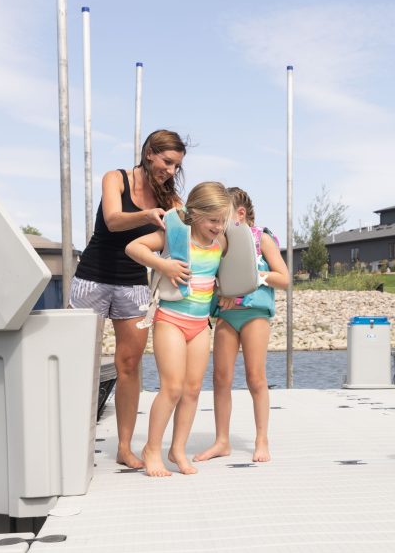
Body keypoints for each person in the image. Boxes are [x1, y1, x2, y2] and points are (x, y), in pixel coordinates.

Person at [69, 129, 186, 470]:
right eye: (167, 162)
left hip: (134, 286)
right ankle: (73, 441)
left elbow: (184, 231)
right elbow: (113, 219)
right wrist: (148, 215)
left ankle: (123, 447)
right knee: (80, 365)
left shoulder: (171, 200)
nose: (170, 170)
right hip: (91, 280)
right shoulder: (115, 178)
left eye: (176, 166)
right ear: (149, 153)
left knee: (129, 366)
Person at [125, 181, 231, 477]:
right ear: (194, 214)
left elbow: (219, 276)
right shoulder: (174, 238)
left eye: (222, 220)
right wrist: (165, 266)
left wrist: (225, 292)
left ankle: (178, 449)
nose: (218, 226)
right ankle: (151, 449)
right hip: (170, 319)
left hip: (199, 325)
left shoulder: (220, 242)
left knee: (192, 390)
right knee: (171, 387)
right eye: (212, 220)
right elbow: (133, 247)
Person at [193, 187, 291, 464]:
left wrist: (260, 276)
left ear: (240, 213)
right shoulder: (219, 241)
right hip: (227, 315)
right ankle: (222, 440)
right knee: (220, 378)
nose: (218, 223)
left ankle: (262, 439)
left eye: (222, 217)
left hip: (254, 315)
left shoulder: (263, 239)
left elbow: (285, 279)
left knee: (255, 377)